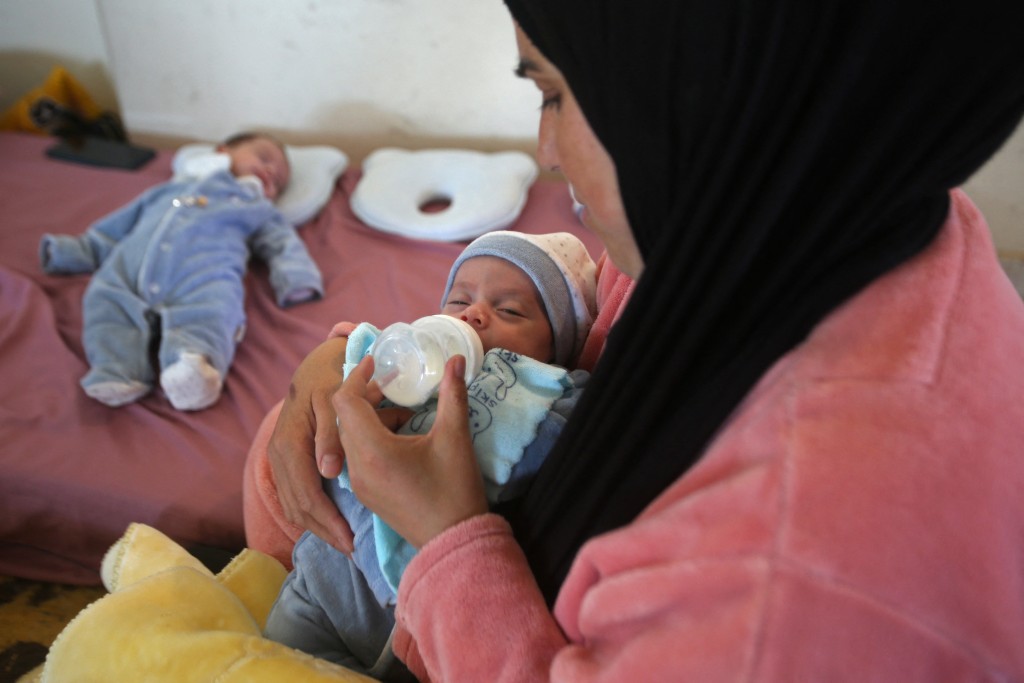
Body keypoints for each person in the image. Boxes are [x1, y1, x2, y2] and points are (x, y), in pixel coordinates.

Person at [258, 0, 1024, 679]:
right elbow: (572, 332)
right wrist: (343, 356)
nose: (545, 152)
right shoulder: (794, 210)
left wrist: (446, 540)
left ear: (702, 90)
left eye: (555, 94)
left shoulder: (787, 598)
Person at [262, 230, 597, 680]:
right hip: (324, 584)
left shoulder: (548, 394)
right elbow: (357, 349)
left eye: (510, 310)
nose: (475, 314)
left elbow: (583, 425)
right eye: (459, 301)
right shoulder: (412, 367)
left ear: (555, 351)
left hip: (426, 623)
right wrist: (336, 352)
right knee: (272, 666)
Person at [40, 132, 323, 411]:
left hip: (203, 276)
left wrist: (297, 278)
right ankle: (117, 368)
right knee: (105, 301)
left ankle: (194, 367)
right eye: (263, 157)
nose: (271, 171)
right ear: (223, 153)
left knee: (216, 309)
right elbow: (114, 229)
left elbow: (283, 244)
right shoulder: (169, 190)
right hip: (129, 269)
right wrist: (76, 251)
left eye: (279, 180)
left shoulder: (255, 206)